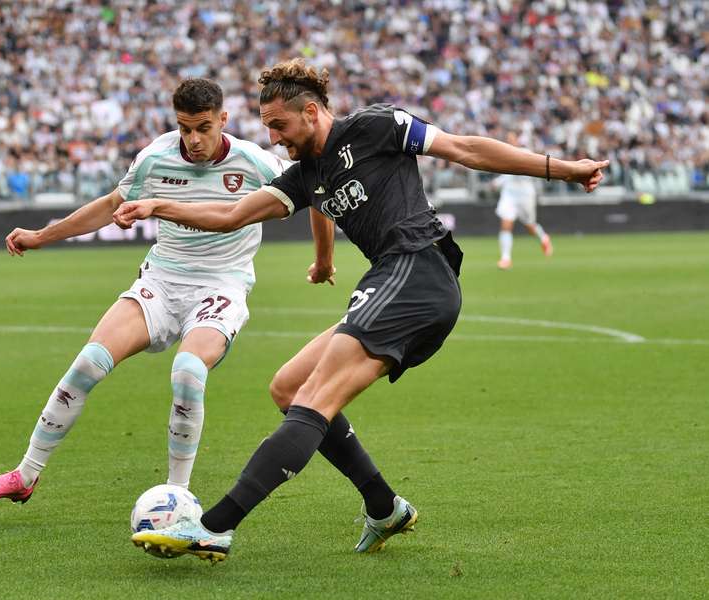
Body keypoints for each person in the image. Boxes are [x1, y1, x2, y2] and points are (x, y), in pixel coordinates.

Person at [115, 58, 609, 562]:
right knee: (288, 387)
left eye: (279, 126)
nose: (275, 139)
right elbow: (231, 216)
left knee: (314, 400)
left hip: (418, 269)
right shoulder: (306, 176)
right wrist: (158, 206)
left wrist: (563, 170)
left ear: (310, 112)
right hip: (395, 280)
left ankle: (214, 526)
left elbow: (465, 149)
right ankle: (384, 505)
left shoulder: (375, 126)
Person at [0, 78, 335, 507]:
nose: (193, 140)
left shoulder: (255, 162)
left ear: (223, 120)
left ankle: (177, 496)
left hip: (221, 285)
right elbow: (108, 205)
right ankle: (24, 475)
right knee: (87, 364)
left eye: (203, 127)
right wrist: (41, 236)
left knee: (188, 374)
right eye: (184, 128)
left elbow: (316, 194)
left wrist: (324, 259)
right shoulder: (155, 158)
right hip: (160, 281)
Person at [493, 133, 553, 270]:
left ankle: (543, 237)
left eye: (511, 139)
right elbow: (506, 175)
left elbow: (524, 170)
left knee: (530, 226)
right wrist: (496, 183)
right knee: (506, 224)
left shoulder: (525, 153)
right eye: (507, 139)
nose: (509, 141)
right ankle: (506, 258)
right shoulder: (503, 155)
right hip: (509, 195)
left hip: (525, 196)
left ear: (517, 140)